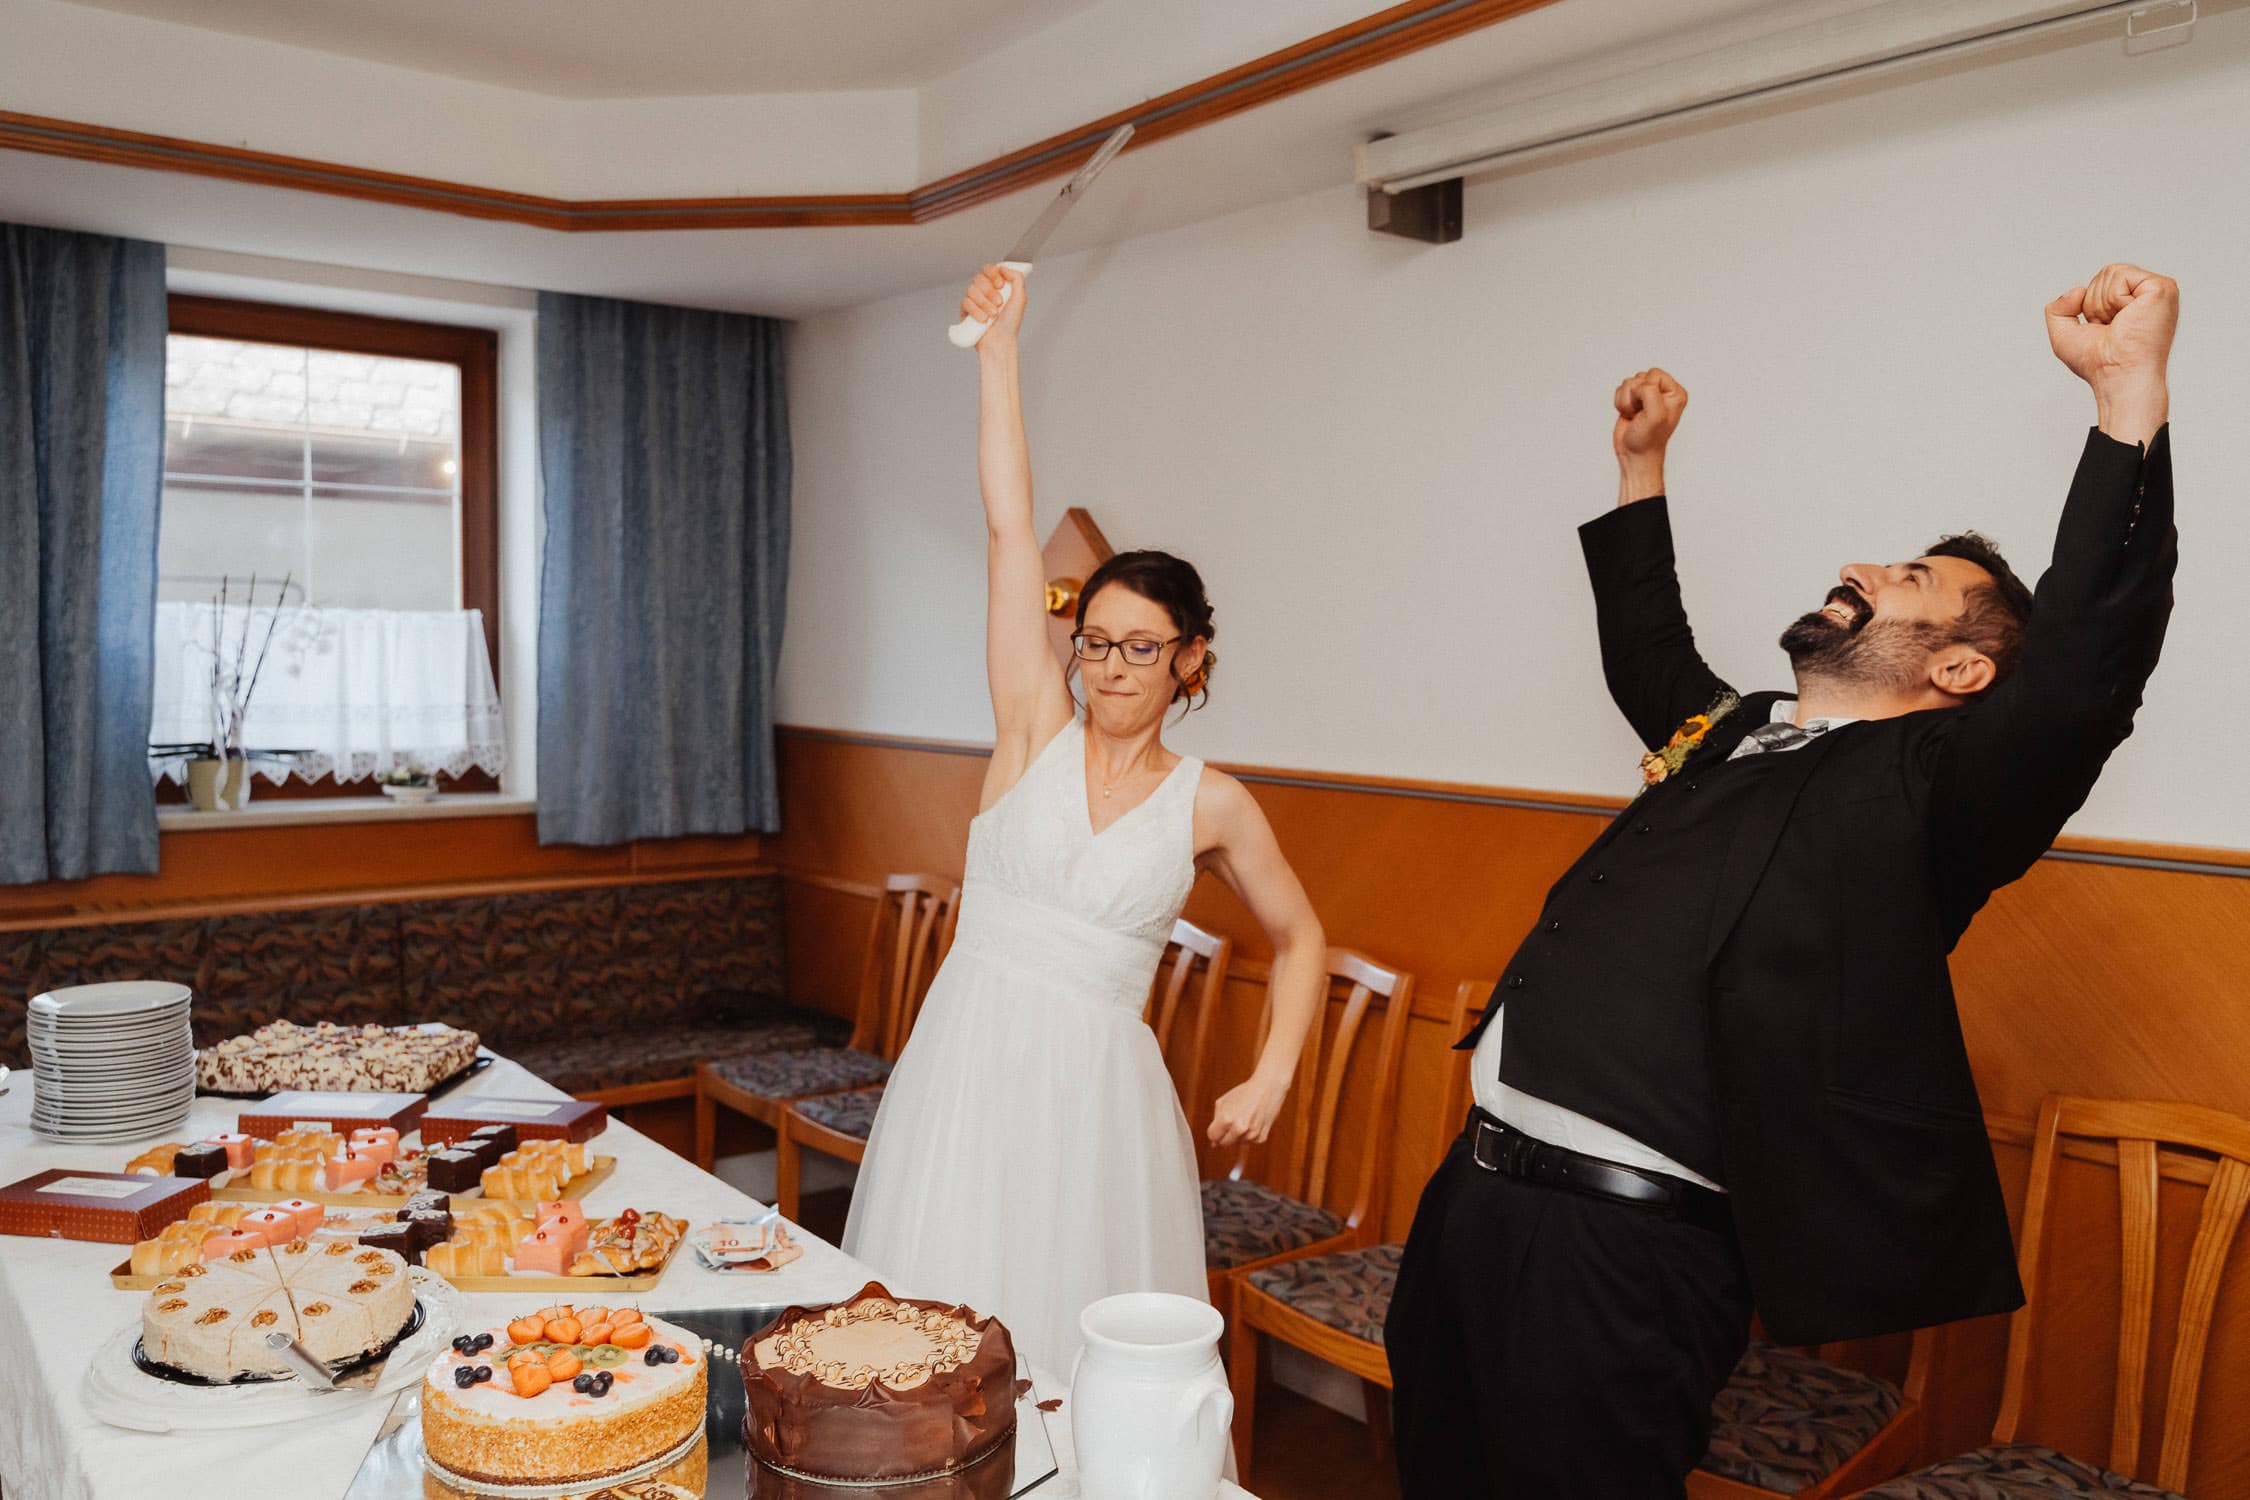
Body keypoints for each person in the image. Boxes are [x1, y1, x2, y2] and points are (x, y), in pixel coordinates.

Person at [1385, 262, 2179, 1497]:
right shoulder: (1735, 730)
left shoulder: (1939, 793)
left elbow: (2087, 667)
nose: (1866, 565)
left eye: (1910, 582)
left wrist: (2127, 392)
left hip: (1626, 1253)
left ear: (1961, 675)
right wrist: (1642, 467)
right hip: (1475, 1200)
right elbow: (1647, 647)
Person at [843, 264, 1329, 1379]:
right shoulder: (1028, 733)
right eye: (1096, 641)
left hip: (1100, 1106)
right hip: (969, 1069)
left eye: (1140, 647)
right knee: (936, 1343)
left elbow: (1300, 938)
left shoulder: (1212, 801)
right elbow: (1011, 529)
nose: (1109, 667)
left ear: (1190, 658)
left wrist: (1273, 1074)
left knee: (1074, 1351)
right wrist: (1002, 354)